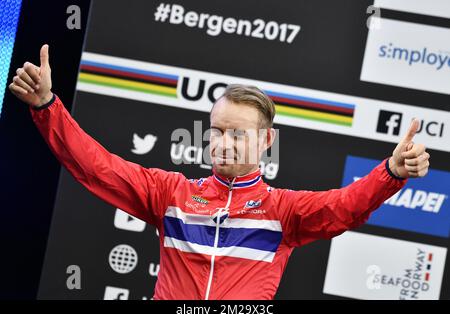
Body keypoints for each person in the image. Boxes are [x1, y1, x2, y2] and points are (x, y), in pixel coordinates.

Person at [9, 44, 430, 300]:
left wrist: (391, 171)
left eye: (237, 134)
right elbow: (96, 167)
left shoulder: (284, 212)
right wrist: (48, 107)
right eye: (217, 131)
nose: (223, 143)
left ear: (267, 141)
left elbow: (344, 207)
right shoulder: (170, 193)